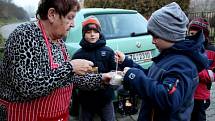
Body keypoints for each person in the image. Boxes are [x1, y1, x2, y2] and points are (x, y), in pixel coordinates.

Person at [0, 0, 111, 121]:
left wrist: (101, 78)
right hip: (25, 115)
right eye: (70, 17)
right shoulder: (24, 36)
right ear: (52, 14)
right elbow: (27, 87)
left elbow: (69, 78)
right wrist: (70, 67)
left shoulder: (59, 42)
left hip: (58, 116)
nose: (73, 24)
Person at [114, 2, 209, 121]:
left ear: (170, 35)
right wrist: (126, 62)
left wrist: (134, 76)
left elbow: (168, 98)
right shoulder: (168, 55)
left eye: (156, 36)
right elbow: (151, 76)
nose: (153, 41)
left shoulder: (183, 64)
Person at [72, 16, 116, 121]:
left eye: (95, 31)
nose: (92, 34)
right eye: (88, 32)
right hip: (86, 100)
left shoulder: (109, 52)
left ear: (99, 33)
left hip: (105, 99)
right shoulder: (78, 55)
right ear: (83, 34)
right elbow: (74, 79)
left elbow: (114, 70)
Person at [188, 18, 215, 121]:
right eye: (190, 33)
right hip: (186, 94)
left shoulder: (212, 51)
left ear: (205, 35)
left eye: (196, 34)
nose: (192, 36)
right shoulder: (186, 48)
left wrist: (197, 72)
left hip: (201, 95)